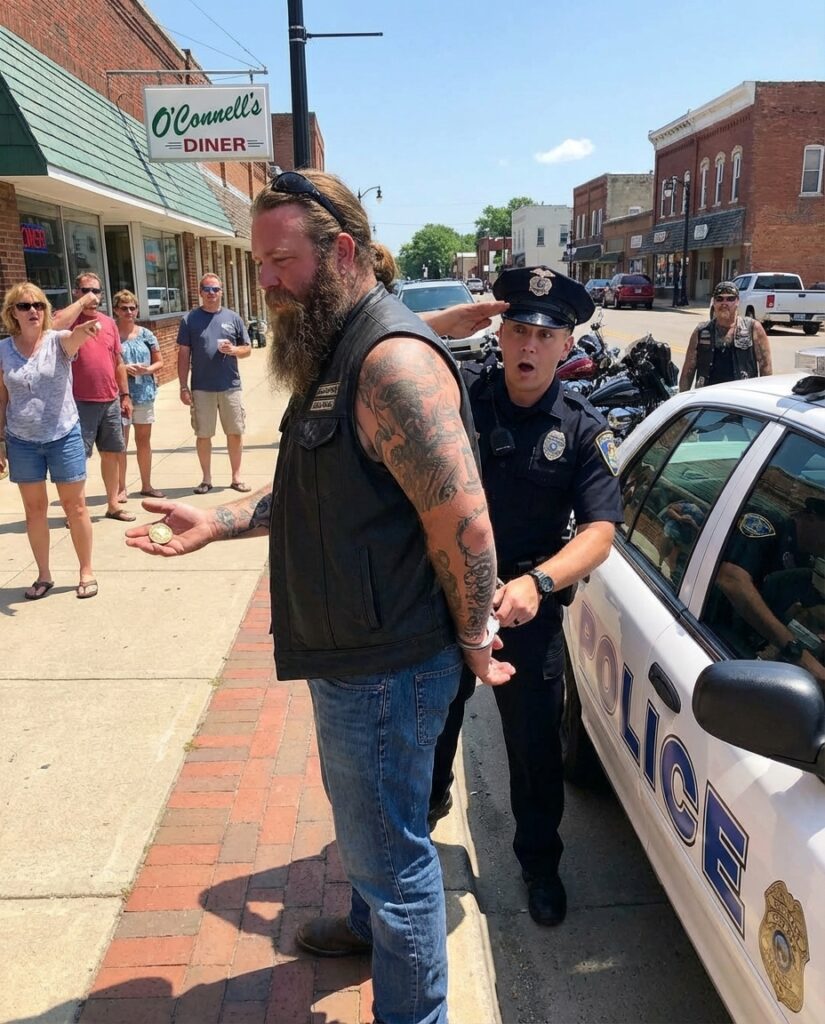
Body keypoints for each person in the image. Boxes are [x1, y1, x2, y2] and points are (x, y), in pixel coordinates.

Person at [126, 169, 515, 1024]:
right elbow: (323, 493)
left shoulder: (390, 365)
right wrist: (217, 521)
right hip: (355, 656)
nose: (262, 281)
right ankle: (363, 921)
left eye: (278, 261)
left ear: (340, 250)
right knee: (377, 828)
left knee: (395, 859)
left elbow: (467, 529)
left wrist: (476, 638)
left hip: (387, 666)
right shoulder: (329, 343)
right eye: (257, 261)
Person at [429, 266, 623, 928]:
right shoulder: (458, 399)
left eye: (544, 336)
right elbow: (367, 360)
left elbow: (600, 531)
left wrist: (539, 582)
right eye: (516, 331)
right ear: (499, 335)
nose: (528, 347)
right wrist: (437, 325)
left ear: (567, 345)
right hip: (445, 597)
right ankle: (421, 830)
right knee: (427, 726)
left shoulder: (581, 426)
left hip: (525, 606)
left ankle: (539, 864)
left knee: (536, 750)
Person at [0, 283, 102, 599]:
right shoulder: (3, 349)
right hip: (21, 440)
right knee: (34, 510)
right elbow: (1, 397)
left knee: (76, 507)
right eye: (25, 306)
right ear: (12, 313)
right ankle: (44, 575)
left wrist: (85, 329)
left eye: (39, 306)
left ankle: (86, 571)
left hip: (63, 435)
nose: (33, 311)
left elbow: (74, 338)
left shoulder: (58, 342)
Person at [53, 272, 136, 522]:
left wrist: (125, 395)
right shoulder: (69, 320)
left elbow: (117, 361)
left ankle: (113, 504)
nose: (93, 296)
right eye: (87, 290)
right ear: (76, 292)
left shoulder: (109, 323)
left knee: (111, 454)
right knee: (77, 459)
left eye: (97, 292)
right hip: (79, 402)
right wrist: (81, 303)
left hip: (109, 400)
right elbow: (52, 325)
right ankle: (75, 512)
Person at [177, 273, 252, 494]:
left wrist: (234, 350)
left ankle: (236, 477)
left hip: (230, 385)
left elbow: (247, 349)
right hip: (202, 388)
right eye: (207, 289)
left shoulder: (233, 318)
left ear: (221, 292)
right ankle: (206, 479)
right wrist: (183, 386)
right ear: (200, 292)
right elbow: (183, 355)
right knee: (203, 434)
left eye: (215, 289)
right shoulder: (190, 320)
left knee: (235, 432)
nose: (211, 293)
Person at [112, 290, 165, 500]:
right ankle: (121, 488)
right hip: (120, 396)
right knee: (120, 443)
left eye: (132, 308)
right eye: (124, 308)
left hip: (144, 394)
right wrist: (123, 368)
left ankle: (146, 485)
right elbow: (105, 365)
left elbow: (159, 361)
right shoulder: (111, 334)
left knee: (144, 440)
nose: (129, 312)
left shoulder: (146, 334)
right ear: (116, 310)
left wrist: (148, 370)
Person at [679, 280, 772, 391]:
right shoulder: (702, 331)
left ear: (737, 301)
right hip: (707, 398)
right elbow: (688, 370)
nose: (724, 303)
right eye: (720, 299)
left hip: (742, 398)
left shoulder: (753, 328)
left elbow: (766, 368)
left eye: (730, 299)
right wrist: (682, 397)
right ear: (714, 302)